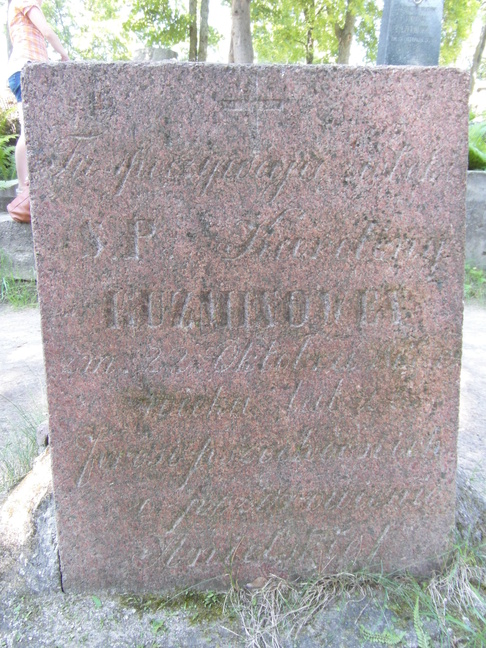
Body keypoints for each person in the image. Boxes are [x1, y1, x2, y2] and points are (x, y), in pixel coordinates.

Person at [7, 0, 69, 195]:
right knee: (30, 130)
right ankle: (23, 188)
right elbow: (47, 31)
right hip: (26, 69)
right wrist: (64, 55)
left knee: (35, 130)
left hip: (32, 70)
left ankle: (30, 184)